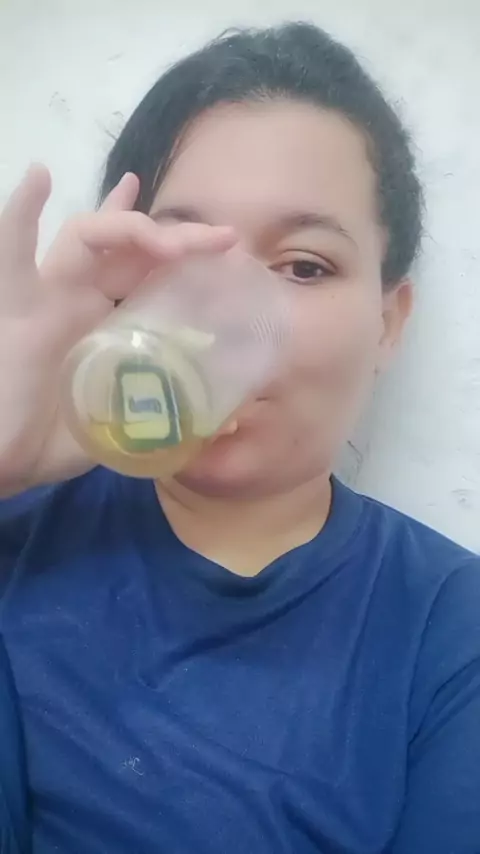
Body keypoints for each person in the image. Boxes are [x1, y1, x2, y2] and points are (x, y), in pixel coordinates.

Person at [0, 21, 479, 854]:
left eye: (304, 266)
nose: (226, 315)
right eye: (184, 254)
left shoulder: (451, 631)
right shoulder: (17, 529)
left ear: (388, 321)